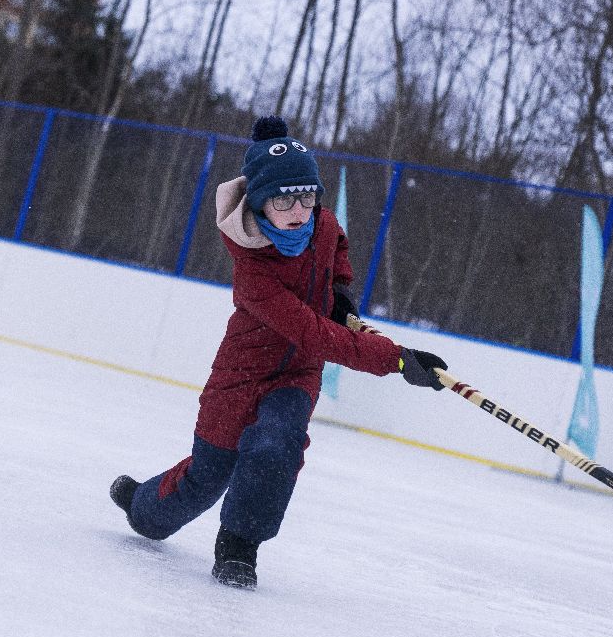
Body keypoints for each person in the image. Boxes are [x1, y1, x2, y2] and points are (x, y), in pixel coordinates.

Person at [109, 116, 448, 589]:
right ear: (260, 202)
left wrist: (342, 292)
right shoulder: (254, 272)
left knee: (278, 444)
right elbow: (315, 334)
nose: (299, 209)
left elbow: (338, 251)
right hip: (241, 375)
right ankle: (143, 509)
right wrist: (394, 358)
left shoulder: (323, 224)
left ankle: (238, 547)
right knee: (207, 476)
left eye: (307, 196)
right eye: (285, 198)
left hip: (296, 376)